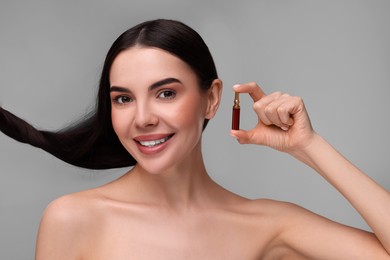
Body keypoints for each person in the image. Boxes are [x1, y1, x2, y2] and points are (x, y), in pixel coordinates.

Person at [1, 19, 389, 259]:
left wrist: (309, 146)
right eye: (123, 98)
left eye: (166, 93)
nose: (142, 118)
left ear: (212, 98)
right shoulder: (73, 219)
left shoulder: (268, 225)